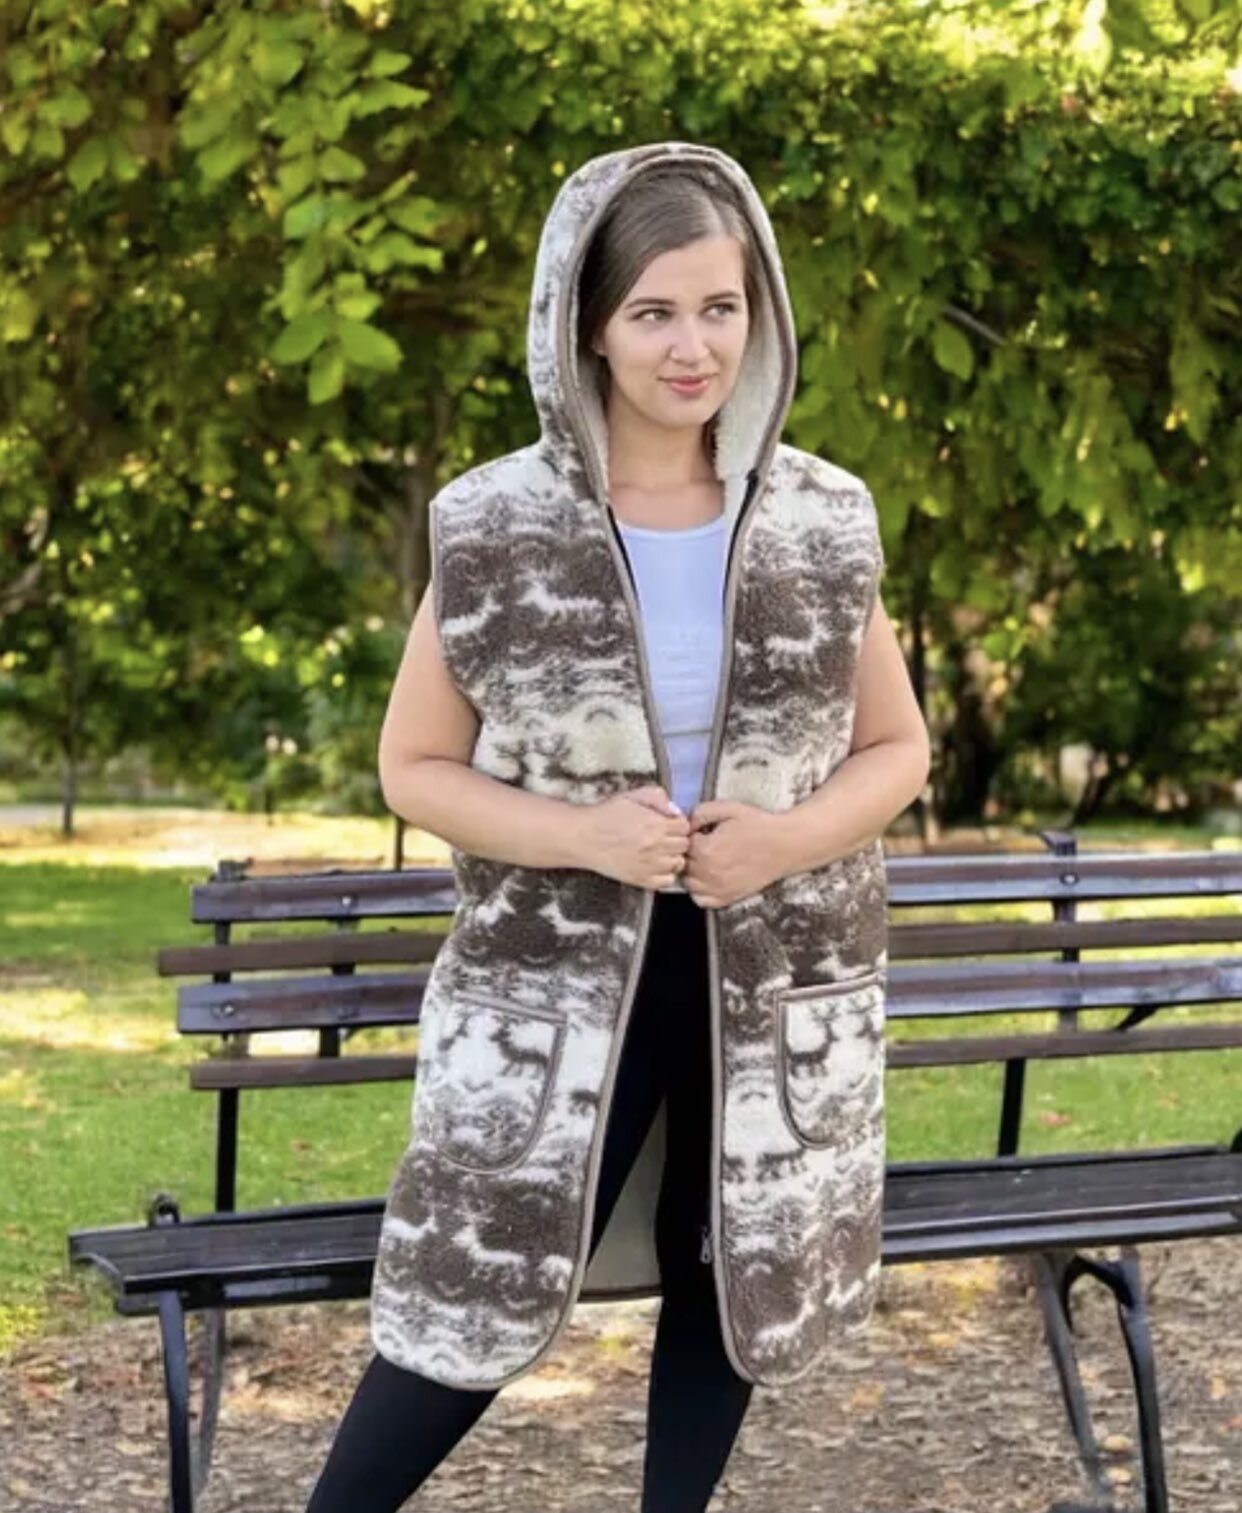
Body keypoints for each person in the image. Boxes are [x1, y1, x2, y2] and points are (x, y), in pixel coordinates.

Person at [306, 140, 929, 1513]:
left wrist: (784, 841)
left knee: (728, 1271)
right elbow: (413, 766)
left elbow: (898, 748)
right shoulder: (495, 527)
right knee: (474, 1288)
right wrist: (583, 835)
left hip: (770, 976)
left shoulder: (821, 518)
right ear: (584, 325)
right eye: (652, 313)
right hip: (561, 984)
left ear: (759, 312)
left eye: (720, 307)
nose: (691, 347)